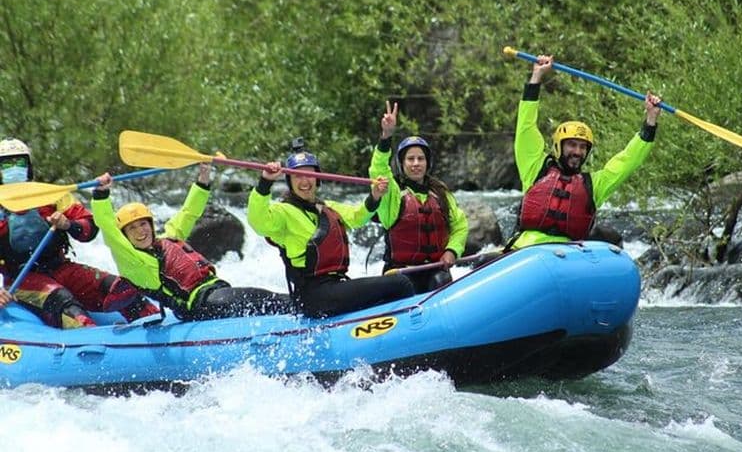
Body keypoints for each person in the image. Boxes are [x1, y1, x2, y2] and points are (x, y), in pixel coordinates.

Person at [91, 164, 292, 321]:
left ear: (151, 226)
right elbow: (108, 228)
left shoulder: (169, 236)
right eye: (132, 228)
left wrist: (203, 179)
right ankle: (306, 310)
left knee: (260, 298)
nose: (140, 231)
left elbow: (189, 212)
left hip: (215, 291)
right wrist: (101, 195)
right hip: (198, 305)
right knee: (267, 300)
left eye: (143, 224)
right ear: (125, 236)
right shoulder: (131, 261)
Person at [0, 138, 159, 328]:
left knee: (123, 290)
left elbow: (89, 228)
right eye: (7, 163)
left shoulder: (52, 195)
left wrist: (68, 224)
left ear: (29, 166)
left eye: (20, 162)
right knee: (66, 305)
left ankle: (162, 331)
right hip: (22, 280)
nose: (14, 168)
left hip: (61, 267)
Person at [508, 55, 662, 250]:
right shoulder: (535, 168)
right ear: (558, 146)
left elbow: (628, 160)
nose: (578, 152)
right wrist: (536, 78)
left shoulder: (594, 185)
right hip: (525, 251)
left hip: (568, 254)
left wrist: (650, 120)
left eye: (582, 147)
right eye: (572, 145)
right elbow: (526, 127)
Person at [247, 143, 415, 317]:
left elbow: (358, 217)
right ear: (289, 181)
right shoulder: (283, 212)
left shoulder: (327, 207)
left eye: (309, 175)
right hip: (314, 295)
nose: (304, 181)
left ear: (317, 178)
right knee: (400, 284)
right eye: (297, 176)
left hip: (335, 286)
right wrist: (265, 182)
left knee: (391, 287)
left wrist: (375, 196)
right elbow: (257, 221)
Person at [368, 102, 469, 293]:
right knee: (404, 287)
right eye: (410, 159)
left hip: (434, 271)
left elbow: (460, 225)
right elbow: (378, 170)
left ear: (427, 163)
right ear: (402, 163)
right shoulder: (393, 192)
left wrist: (452, 250)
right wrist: (386, 137)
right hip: (401, 274)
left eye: (420, 159)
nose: (416, 164)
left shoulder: (440, 193)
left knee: (442, 280)